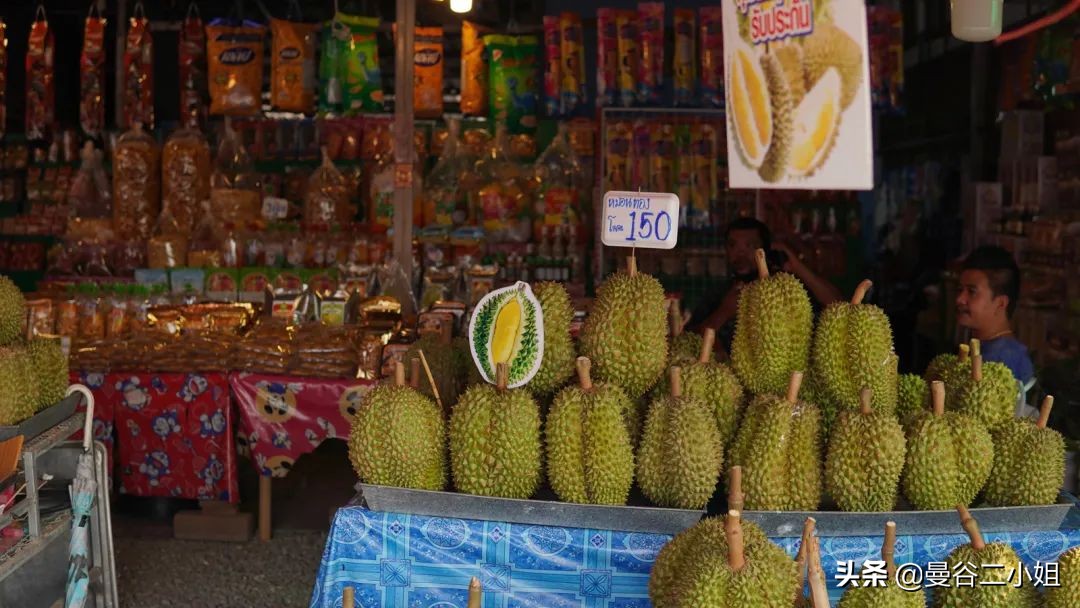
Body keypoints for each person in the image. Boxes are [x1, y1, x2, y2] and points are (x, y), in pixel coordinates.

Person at [692, 218, 843, 355]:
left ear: (766, 251)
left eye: (750, 245)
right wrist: (724, 312)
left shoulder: (789, 290)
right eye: (733, 245)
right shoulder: (720, 294)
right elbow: (688, 341)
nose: (740, 254)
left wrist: (797, 266)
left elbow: (839, 305)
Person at [954, 245, 1035, 385]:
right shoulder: (986, 349)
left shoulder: (1004, 361)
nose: (959, 299)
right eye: (960, 290)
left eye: (971, 291)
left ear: (1001, 303)